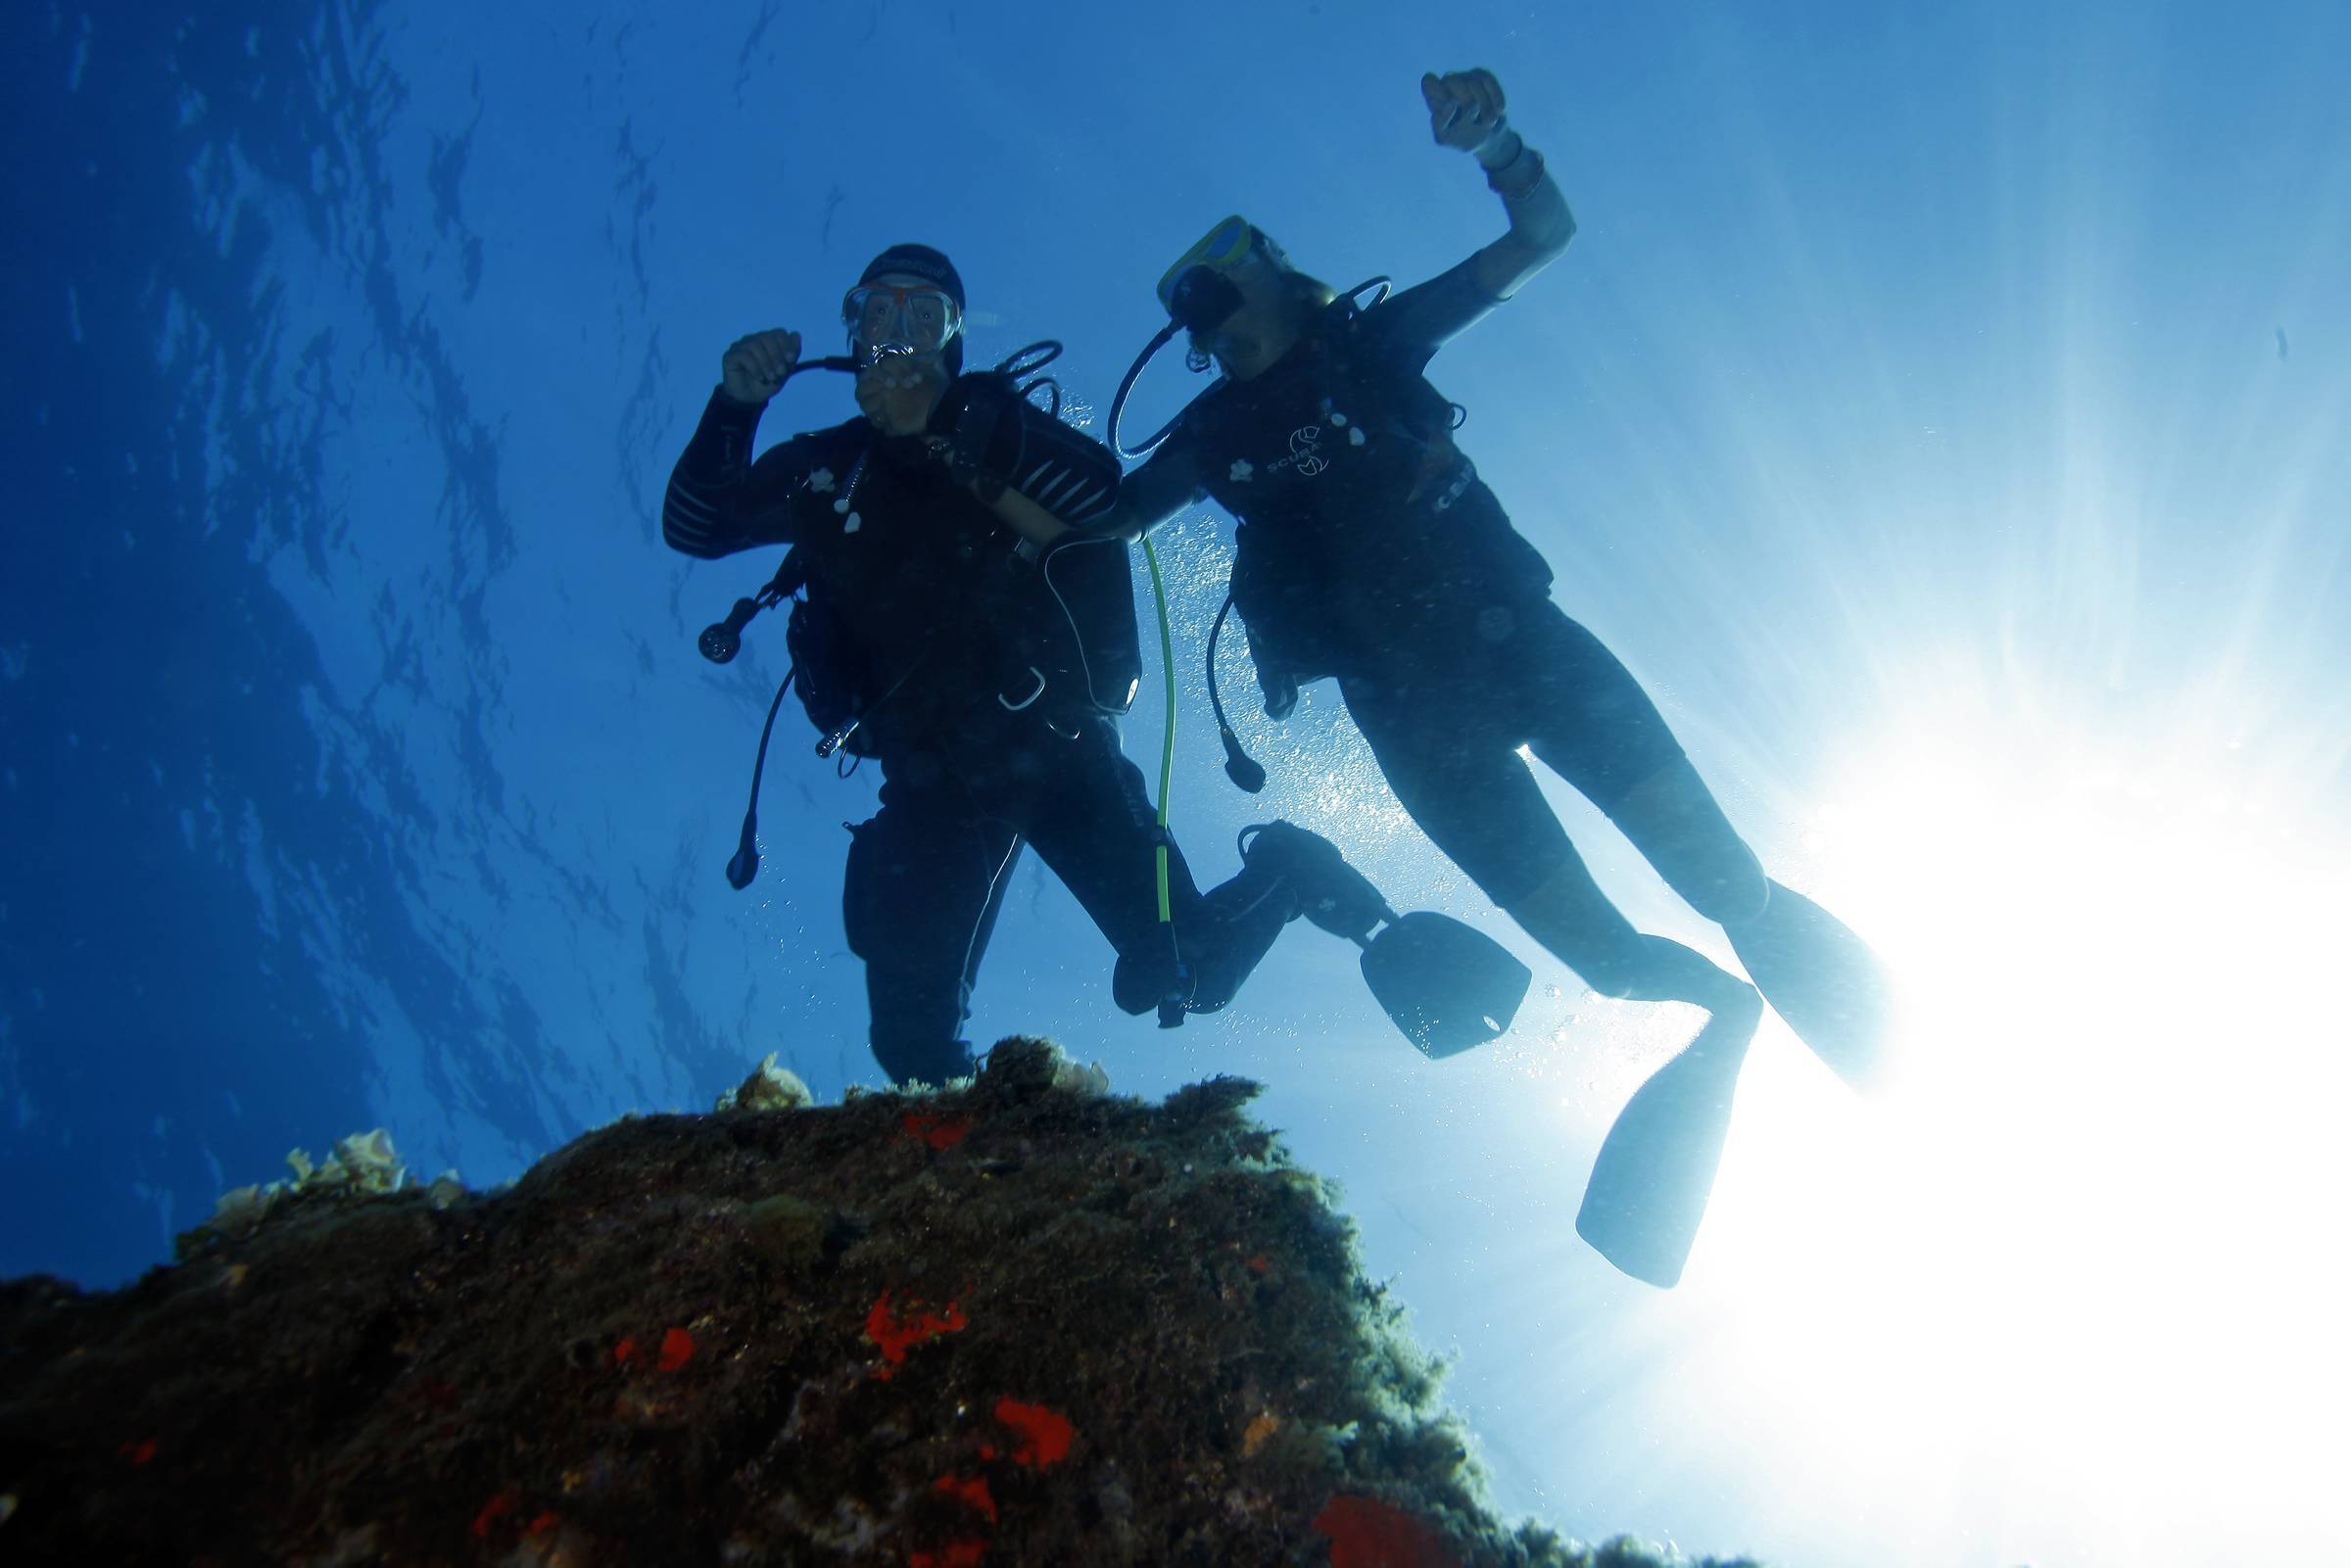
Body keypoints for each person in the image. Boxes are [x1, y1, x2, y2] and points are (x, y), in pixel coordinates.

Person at [1067, 74, 1891, 1285]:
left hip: (1535, 654)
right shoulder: (1202, 440)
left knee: (1726, 880)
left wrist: (1496, 142)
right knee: (1608, 960)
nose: (1210, 287)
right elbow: (1099, 519)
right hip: (1419, 735)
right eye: (1195, 283)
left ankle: (1879, 1040)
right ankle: (1727, 1020)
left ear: (1281, 272)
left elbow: (1542, 239)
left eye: (1230, 257)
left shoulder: (1373, 342)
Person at [660, 244, 1460, 1088]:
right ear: (851, 331)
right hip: (925, 770)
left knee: (1190, 970)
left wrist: (946, 423)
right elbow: (698, 527)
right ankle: (966, 1167)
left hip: (1052, 742)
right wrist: (734, 404)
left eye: (924, 315)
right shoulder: (826, 467)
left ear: (953, 339)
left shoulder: (995, 424)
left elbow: (1106, 506)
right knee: (909, 1047)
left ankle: (1289, 869)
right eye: (878, 312)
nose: (899, 333)